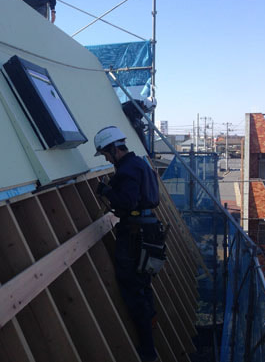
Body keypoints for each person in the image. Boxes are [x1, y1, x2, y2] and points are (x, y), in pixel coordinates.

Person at [93, 125, 161, 362]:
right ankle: (150, 331)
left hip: (135, 234)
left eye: (105, 154)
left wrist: (106, 191)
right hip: (148, 230)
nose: (106, 159)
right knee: (143, 283)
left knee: (132, 287)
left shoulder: (127, 170)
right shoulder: (140, 163)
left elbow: (128, 202)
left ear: (114, 149)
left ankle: (147, 350)